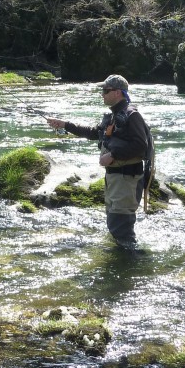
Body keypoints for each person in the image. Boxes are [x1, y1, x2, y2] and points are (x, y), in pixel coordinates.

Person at [46, 74, 152, 249]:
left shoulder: (132, 116)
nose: (102, 94)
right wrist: (65, 125)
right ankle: (127, 265)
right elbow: (94, 132)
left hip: (127, 179)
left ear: (118, 93)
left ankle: (133, 264)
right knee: (115, 225)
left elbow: (141, 146)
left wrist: (113, 155)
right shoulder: (114, 116)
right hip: (115, 179)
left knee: (121, 227)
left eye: (105, 90)